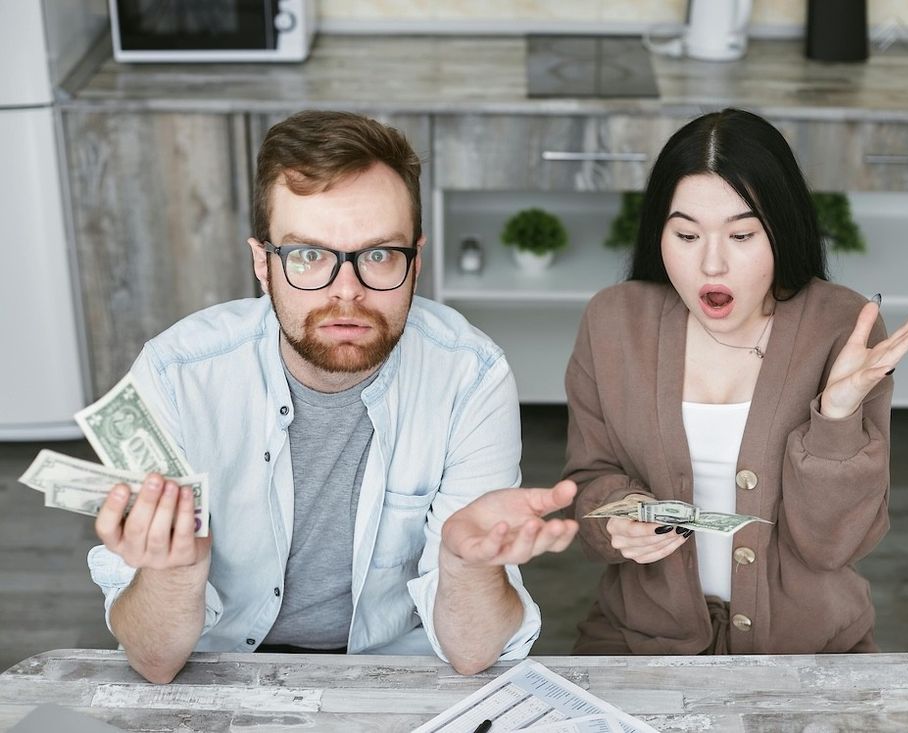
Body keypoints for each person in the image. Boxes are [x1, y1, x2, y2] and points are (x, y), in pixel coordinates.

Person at [87, 110, 578, 684]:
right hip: (221, 669)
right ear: (261, 264)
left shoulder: (472, 378)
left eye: (377, 255)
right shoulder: (174, 377)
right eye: (308, 255)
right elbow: (155, 661)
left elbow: (472, 655)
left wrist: (467, 567)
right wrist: (173, 575)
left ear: (415, 261)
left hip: (395, 676)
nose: (347, 292)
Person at [563, 108, 908, 655]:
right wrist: (619, 515)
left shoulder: (842, 327)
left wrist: (835, 418)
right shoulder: (613, 321)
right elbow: (589, 478)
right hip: (638, 641)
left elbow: (836, 545)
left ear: (781, 230)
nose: (711, 265)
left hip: (806, 650)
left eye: (741, 234)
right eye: (686, 234)